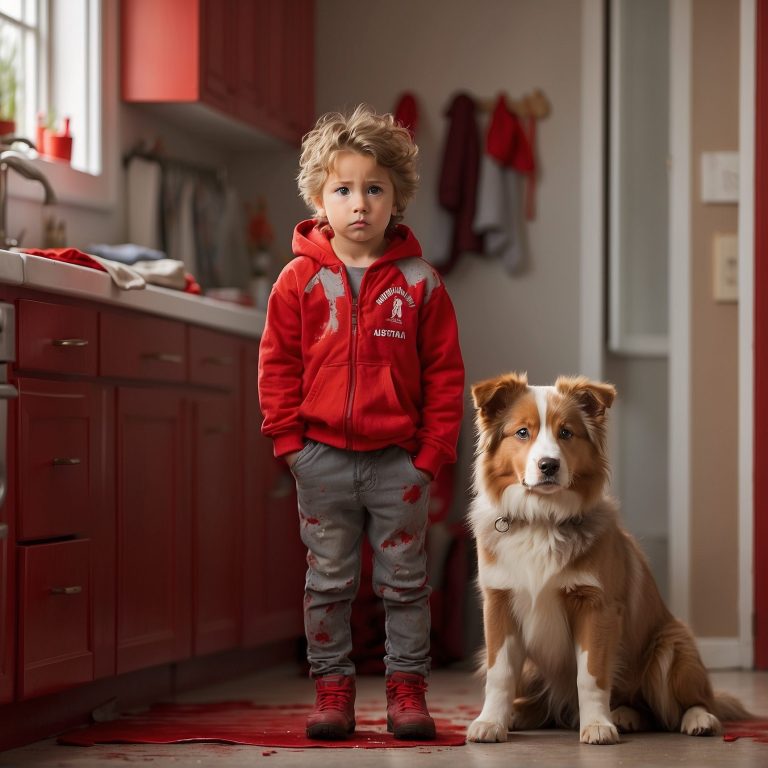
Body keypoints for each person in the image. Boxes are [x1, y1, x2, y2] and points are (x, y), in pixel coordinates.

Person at [257, 104, 465, 741]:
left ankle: (406, 690)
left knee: (405, 583)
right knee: (329, 582)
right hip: (319, 457)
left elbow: (446, 375)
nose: (360, 204)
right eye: (343, 189)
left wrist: (429, 454)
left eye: (374, 189)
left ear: (396, 196)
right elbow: (277, 365)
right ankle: (333, 692)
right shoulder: (298, 281)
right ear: (320, 196)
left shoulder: (420, 284)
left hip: (398, 462)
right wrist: (291, 445)